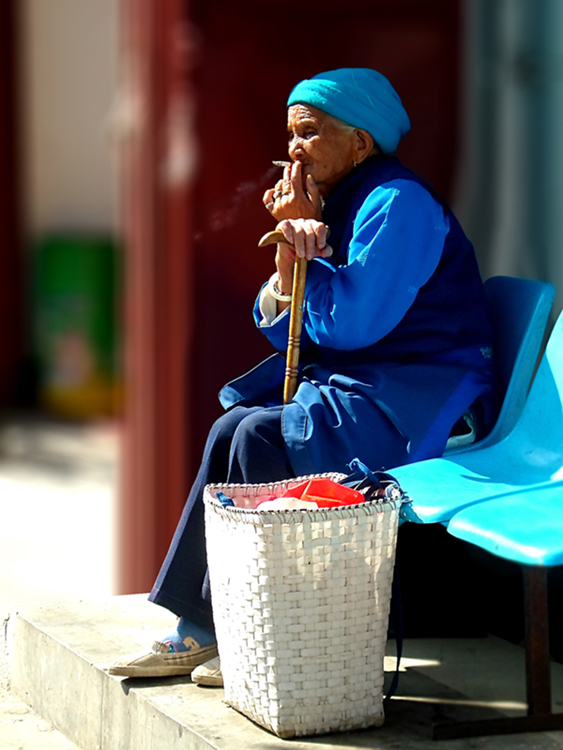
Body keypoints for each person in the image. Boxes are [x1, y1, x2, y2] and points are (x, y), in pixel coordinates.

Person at [109, 68, 497, 683]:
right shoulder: (336, 203)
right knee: (232, 425)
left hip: (424, 399)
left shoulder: (399, 204)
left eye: (310, 133)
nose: (294, 149)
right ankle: (207, 625)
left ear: (361, 143)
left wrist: (304, 261)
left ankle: (243, 627)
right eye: (290, 134)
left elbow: (352, 326)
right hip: (364, 386)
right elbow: (286, 327)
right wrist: (292, 252)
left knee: (261, 436)